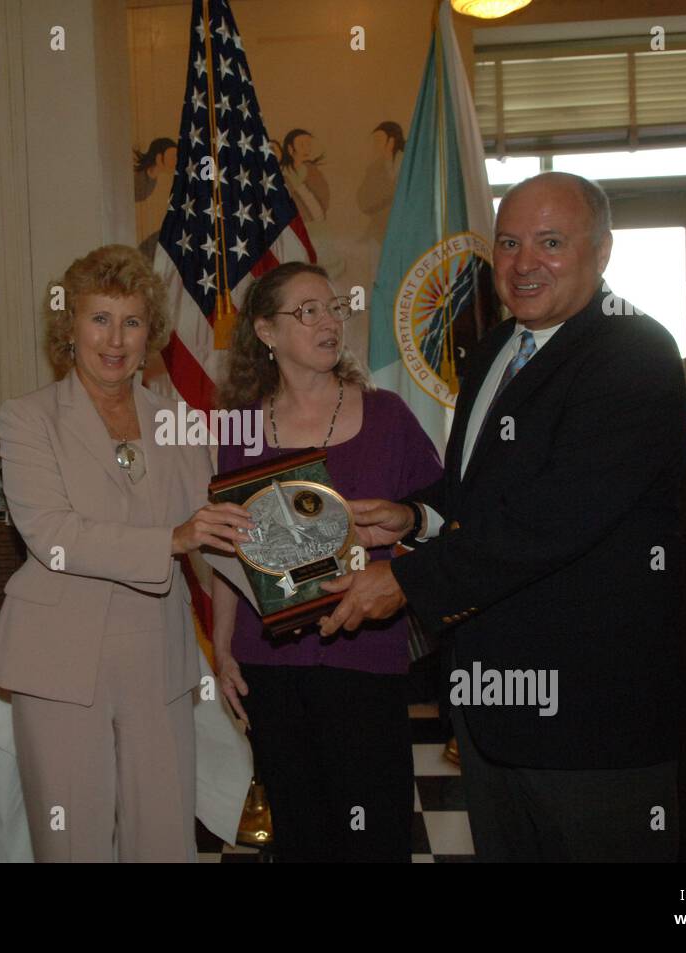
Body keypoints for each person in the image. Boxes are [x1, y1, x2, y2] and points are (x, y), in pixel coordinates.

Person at [319, 172, 686, 862]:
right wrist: (415, 516)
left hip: (592, 721)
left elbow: (553, 519)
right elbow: (481, 490)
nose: (524, 264)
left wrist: (407, 583)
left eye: (551, 242)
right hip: (493, 716)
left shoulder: (634, 353)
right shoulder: (495, 349)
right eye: (510, 243)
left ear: (602, 251)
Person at [0, 244, 252, 862]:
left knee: (163, 838)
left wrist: (286, 593)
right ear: (68, 326)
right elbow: (51, 533)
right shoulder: (27, 418)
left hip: (159, 650)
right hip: (58, 654)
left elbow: (217, 540)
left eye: (131, 321)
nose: (115, 339)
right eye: (98, 318)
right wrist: (172, 539)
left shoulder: (174, 420)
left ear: (149, 331)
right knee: (72, 840)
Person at [210, 262, 441, 862]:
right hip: (272, 658)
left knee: (374, 827)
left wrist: (404, 516)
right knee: (297, 830)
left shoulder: (387, 415)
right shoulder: (239, 428)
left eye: (334, 308)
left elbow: (442, 516)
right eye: (307, 311)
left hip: (365, 651)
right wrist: (220, 640)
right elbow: (225, 544)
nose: (329, 322)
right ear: (266, 331)